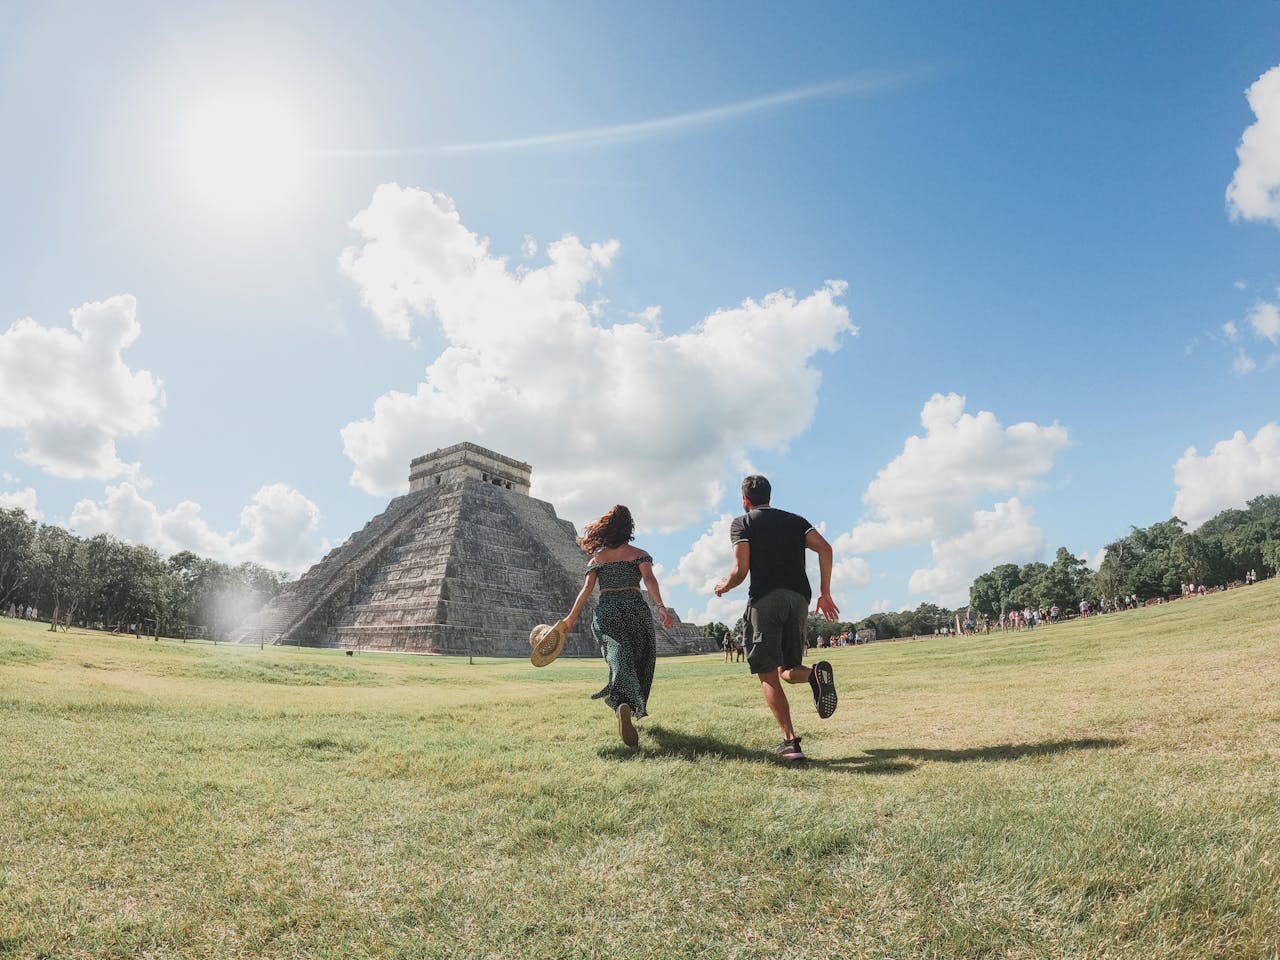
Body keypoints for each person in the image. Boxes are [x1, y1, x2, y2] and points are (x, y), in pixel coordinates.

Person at [713, 475, 839, 762]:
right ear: (770, 495)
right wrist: (825, 593)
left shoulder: (743, 523)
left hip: (766, 600)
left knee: (768, 673)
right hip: (799, 599)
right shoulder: (795, 521)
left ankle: (791, 744)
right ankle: (814, 676)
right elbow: (826, 548)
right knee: (788, 668)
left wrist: (724, 586)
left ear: (745, 500)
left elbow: (740, 570)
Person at [563, 505, 674, 748]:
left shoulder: (598, 559)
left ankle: (621, 702)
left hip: (607, 610)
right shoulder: (639, 554)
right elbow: (649, 579)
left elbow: (586, 590)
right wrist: (661, 607)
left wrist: (570, 619)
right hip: (635, 609)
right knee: (640, 660)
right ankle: (626, 703)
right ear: (629, 529)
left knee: (617, 657)